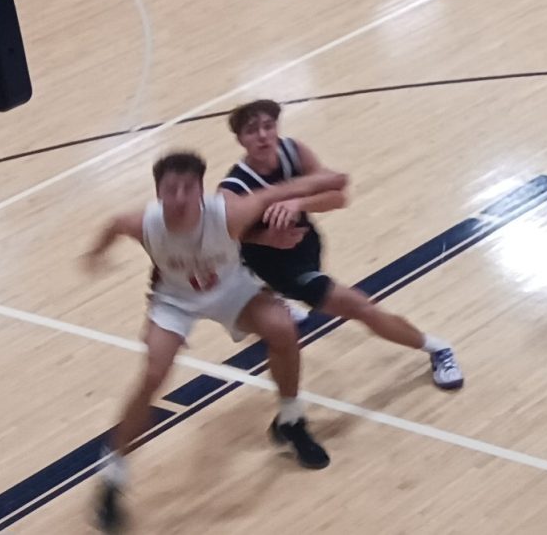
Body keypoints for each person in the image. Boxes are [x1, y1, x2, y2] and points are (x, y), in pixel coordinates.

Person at [82, 152, 350, 532]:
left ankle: (290, 419)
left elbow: (283, 189)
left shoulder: (228, 212)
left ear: (201, 190)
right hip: (174, 300)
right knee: (153, 374)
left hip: (231, 290)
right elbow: (112, 225)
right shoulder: (144, 222)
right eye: (169, 190)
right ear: (158, 192)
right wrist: (95, 254)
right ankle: (113, 473)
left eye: (186, 189)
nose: (178, 198)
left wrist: (329, 178)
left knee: (283, 330)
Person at [219, 99, 465, 389]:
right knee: (362, 308)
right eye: (252, 130)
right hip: (269, 266)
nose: (262, 135)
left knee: (280, 304)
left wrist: (299, 201)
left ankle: (279, 303)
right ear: (239, 139)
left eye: (268, 126)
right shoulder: (234, 188)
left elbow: (339, 196)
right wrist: (265, 237)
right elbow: (224, 235)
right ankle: (438, 348)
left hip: (304, 248)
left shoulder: (293, 151)